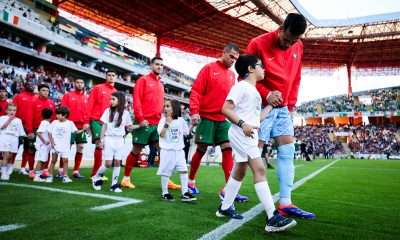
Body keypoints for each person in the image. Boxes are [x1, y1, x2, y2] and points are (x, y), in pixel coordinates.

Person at [246, 13, 315, 218]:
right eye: (287, 39)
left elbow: (296, 76)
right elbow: (245, 76)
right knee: (250, 154)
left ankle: (285, 202)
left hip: (283, 108)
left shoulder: (298, 46)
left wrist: (291, 103)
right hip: (260, 106)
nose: (289, 44)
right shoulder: (257, 43)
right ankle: (228, 192)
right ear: (281, 28)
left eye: (294, 41)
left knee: (287, 151)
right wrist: (266, 93)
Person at [217, 54, 296, 232]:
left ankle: (225, 207)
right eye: (260, 65)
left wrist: (271, 106)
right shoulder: (242, 87)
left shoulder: (254, 93)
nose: (264, 69)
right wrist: (242, 124)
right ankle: (272, 217)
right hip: (242, 132)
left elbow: (257, 118)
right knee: (259, 169)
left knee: (240, 170)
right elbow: (225, 109)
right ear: (251, 69)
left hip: (249, 132)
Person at [188, 43, 248, 202]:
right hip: (206, 117)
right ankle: (190, 182)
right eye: (231, 56)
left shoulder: (232, 75)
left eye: (236, 58)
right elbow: (196, 91)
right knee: (201, 149)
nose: (233, 60)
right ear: (224, 53)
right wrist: (194, 111)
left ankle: (228, 188)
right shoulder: (208, 68)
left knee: (227, 149)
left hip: (223, 119)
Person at [123, 57, 179, 190]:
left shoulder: (160, 84)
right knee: (136, 150)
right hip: (144, 122)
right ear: (151, 65)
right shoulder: (143, 80)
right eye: (157, 64)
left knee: (163, 151)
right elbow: (136, 101)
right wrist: (140, 118)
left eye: (161, 65)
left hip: (157, 123)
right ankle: (126, 179)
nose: (159, 67)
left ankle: (166, 180)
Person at [92, 92, 134, 193]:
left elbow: (129, 127)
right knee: (108, 163)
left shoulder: (126, 113)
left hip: (120, 140)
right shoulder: (107, 111)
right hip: (109, 139)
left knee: (117, 162)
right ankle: (96, 177)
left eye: (113, 99)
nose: (111, 101)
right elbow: (104, 126)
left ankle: (114, 184)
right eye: (110, 99)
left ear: (120, 101)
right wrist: (101, 140)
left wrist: (140, 126)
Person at [157, 99, 196, 202]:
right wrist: (167, 123)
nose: (165, 108)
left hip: (179, 151)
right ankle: (165, 193)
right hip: (167, 151)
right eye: (165, 106)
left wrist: (193, 124)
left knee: (184, 170)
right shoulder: (162, 120)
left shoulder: (181, 120)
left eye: (168, 106)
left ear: (175, 108)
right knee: (165, 172)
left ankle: (185, 193)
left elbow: (186, 133)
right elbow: (161, 134)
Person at [87, 70, 117, 178]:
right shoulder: (98, 88)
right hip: (96, 120)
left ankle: (99, 172)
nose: (111, 77)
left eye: (113, 75)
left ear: (116, 78)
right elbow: (90, 103)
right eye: (109, 75)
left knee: (105, 147)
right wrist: (87, 122)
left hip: (108, 123)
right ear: (106, 77)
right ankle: (96, 173)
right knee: (99, 145)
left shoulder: (116, 92)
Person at [61, 78, 89, 179]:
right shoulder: (68, 95)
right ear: (74, 84)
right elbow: (62, 110)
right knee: (65, 148)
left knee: (80, 147)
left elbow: (88, 112)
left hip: (81, 126)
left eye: (81, 82)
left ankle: (76, 171)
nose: (79, 84)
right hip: (69, 126)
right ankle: (61, 170)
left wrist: (87, 123)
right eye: (77, 82)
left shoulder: (87, 98)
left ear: (84, 85)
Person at [25, 83, 56, 178]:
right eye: (43, 90)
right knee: (31, 150)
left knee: (47, 150)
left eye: (47, 91)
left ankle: (43, 170)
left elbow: (54, 117)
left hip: (48, 131)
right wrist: (30, 130)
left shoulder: (51, 103)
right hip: (35, 129)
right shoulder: (33, 101)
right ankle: (31, 170)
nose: (46, 92)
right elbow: (29, 116)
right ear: (39, 91)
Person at [47, 107, 80, 183]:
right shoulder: (54, 122)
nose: (57, 115)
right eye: (57, 114)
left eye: (58, 114)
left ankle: (65, 176)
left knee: (65, 160)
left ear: (64, 115)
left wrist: (84, 130)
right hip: (55, 146)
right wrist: (52, 142)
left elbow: (76, 131)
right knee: (53, 160)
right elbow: (49, 132)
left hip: (65, 146)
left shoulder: (70, 123)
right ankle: (50, 176)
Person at [13, 81, 36, 176]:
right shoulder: (19, 96)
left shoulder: (36, 97)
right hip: (18, 126)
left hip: (30, 127)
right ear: (25, 85)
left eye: (32, 84)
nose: (31, 85)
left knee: (27, 148)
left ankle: (22, 167)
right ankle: (9, 166)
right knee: (14, 147)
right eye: (29, 84)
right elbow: (12, 110)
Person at [0, 104, 25, 180]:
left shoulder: (18, 120)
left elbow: (21, 131)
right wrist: (9, 119)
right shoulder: (2, 118)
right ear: (6, 110)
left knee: (11, 156)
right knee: (6, 155)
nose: (12, 112)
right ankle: (3, 173)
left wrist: (23, 138)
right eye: (10, 110)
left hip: (14, 139)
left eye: (14, 110)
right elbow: (2, 127)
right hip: (5, 137)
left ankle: (8, 171)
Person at [32, 108, 53, 182]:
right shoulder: (44, 123)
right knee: (40, 160)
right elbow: (38, 132)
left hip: (45, 146)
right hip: (42, 145)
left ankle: (39, 175)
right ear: (51, 116)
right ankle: (36, 177)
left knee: (43, 160)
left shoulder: (46, 123)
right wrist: (44, 141)